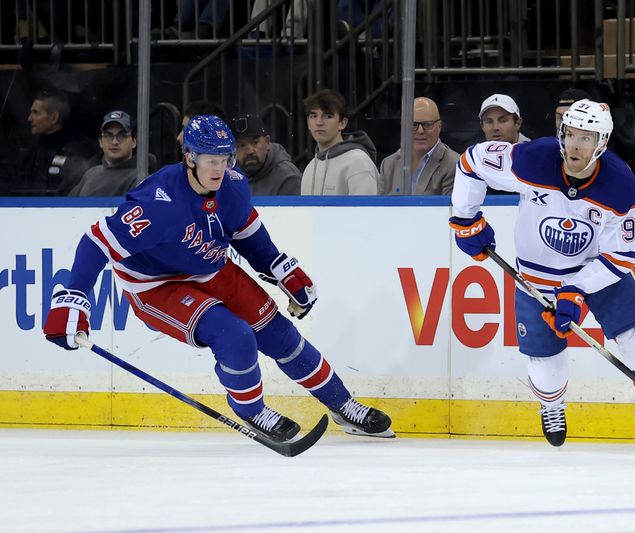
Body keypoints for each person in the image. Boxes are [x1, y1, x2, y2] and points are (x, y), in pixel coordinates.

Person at [43, 115, 393, 441]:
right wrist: (74, 298)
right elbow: (96, 242)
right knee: (234, 336)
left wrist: (279, 267)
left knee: (281, 336)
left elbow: (248, 234)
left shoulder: (234, 185)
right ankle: (252, 411)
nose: (220, 168)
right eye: (211, 160)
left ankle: (344, 405)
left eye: (225, 158)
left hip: (211, 268)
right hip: (157, 285)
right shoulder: (158, 201)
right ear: (190, 157)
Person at [448, 99, 635, 454]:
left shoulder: (621, 186)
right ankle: (551, 404)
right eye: (569, 134)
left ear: (602, 143)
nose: (574, 145)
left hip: (597, 272)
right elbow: (472, 162)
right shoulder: (532, 159)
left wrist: (577, 288)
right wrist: (466, 218)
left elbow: (620, 255)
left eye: (585, 138)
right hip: (537, 278)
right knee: (547, 373)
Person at [301, 88, 379, 195]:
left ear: (342, 123)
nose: (319, 122)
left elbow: (366, 206)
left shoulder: (358, 162)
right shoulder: (310, 167)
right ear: (308, 123)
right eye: (313, 116)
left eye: (328, 116)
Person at [18, 90, 94, 196]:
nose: (29, 118)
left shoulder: (75, 152)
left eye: (36, 113)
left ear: (54, 117)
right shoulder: (34, 149)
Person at [378, 97, 459, 195]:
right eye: (413, 125)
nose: (420, 131)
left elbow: (450, 205)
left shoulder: (454, 165)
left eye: (428, 124)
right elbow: (380, 204)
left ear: (439, 126)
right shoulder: (388, 164)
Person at [69, 111, 156, 197]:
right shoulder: (90, 174)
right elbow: (67, 204)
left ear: (134, 141)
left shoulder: (140, 179)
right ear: (100, 142)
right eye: (108, 135)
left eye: (122, 135)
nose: (114, 142)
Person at [230, 113, 302, 195]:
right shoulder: (229, 176)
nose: (250, 151)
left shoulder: (288, 178)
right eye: (242, 145)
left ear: (267, 142)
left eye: (255, 142)